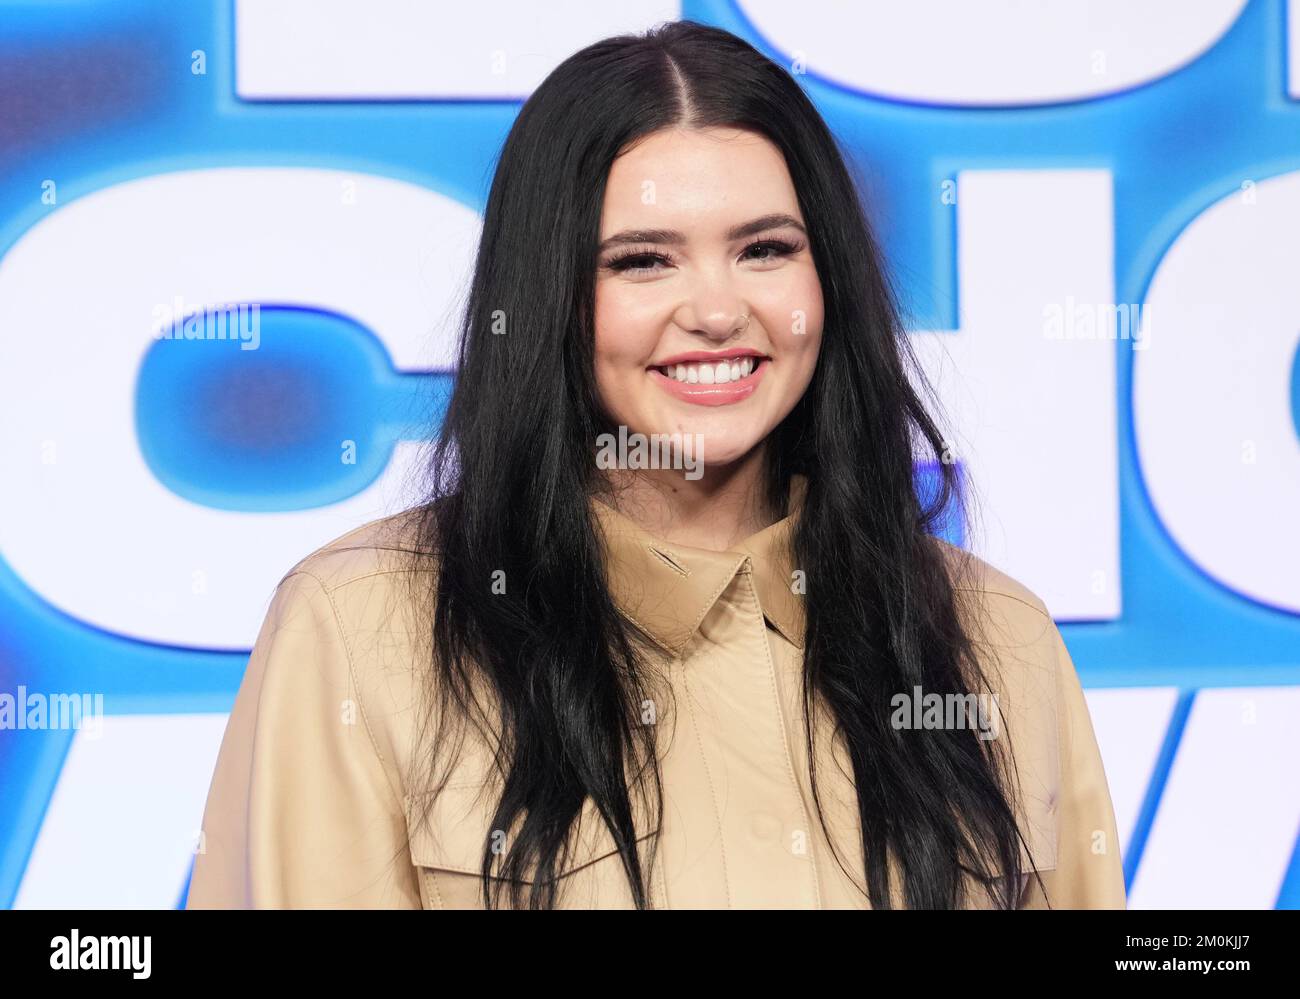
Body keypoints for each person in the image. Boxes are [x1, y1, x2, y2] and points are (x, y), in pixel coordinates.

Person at [185, 20, 1126, 910]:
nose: (717, 311)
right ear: (551, 294)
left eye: (764, 249)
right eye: (643, 261)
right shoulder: (356, 629)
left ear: (826, 279)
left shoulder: (998, 637)